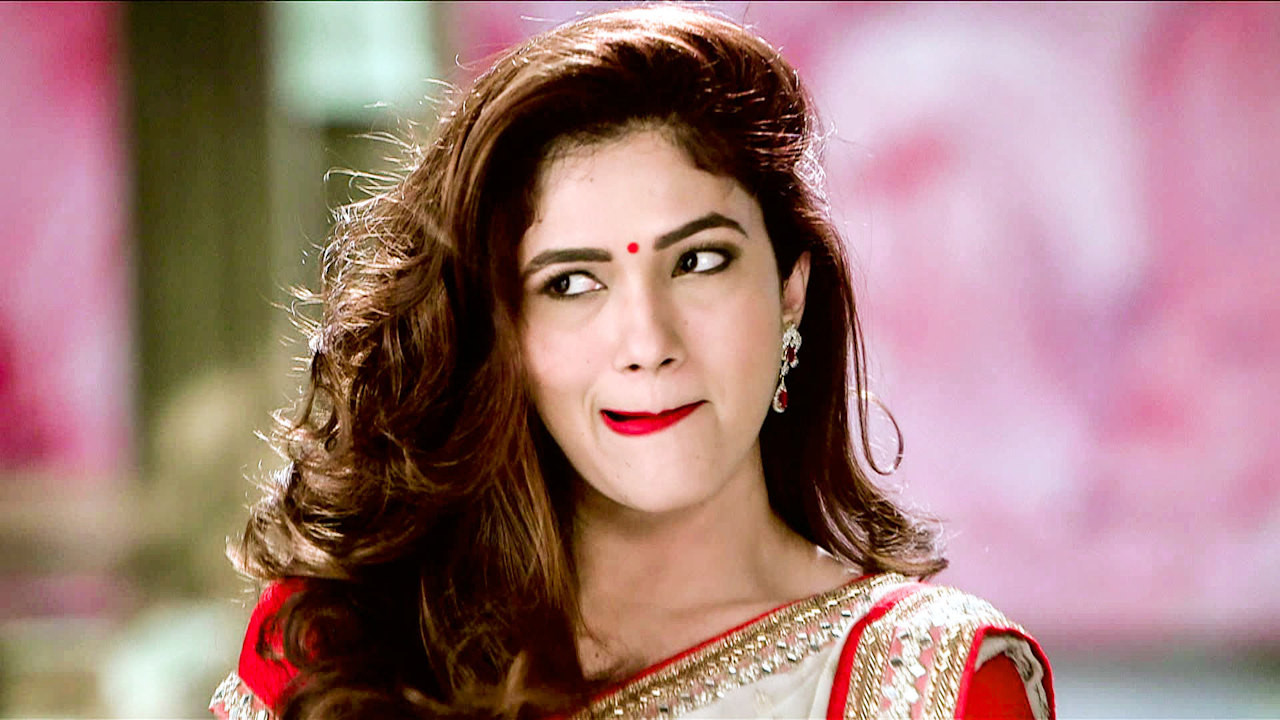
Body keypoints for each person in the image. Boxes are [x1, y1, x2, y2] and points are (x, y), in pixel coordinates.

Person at [210, 6, 1053, 719]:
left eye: (700, 262)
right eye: (572, 283)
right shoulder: (350, 641)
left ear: (790, 292)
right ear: (505, 334)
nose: (648, 343)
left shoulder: (927, 686)